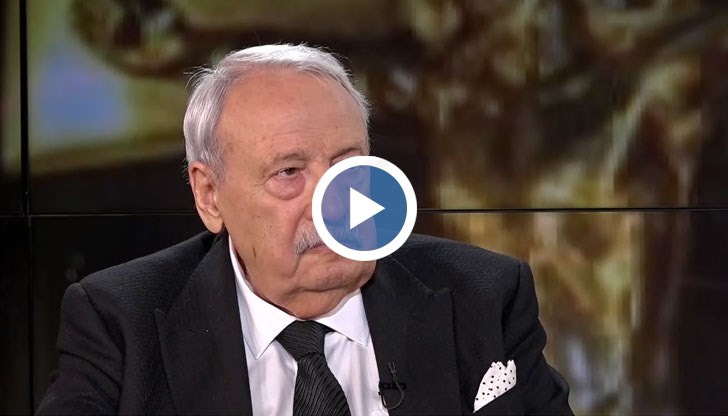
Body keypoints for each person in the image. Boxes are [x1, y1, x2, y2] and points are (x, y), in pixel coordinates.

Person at [37, 44, 572, 415]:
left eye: (347, 165)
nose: (333, 204)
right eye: (289, 173)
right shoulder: (118, 322)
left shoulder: (486, 295)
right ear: (209, 196)